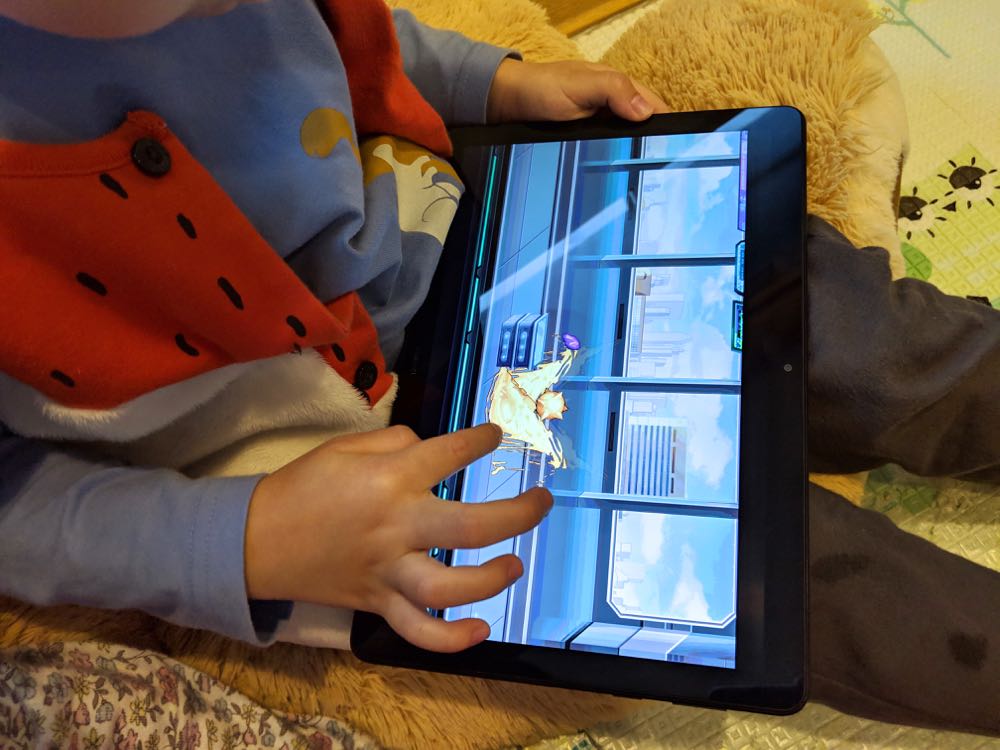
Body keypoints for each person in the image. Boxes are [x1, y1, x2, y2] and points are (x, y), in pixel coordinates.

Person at [0, 0, 997, 741]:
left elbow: (359, 37)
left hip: (477, 221)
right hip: (319, 461)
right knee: (771, 584)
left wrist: (496, 81)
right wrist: (246, 542)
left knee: (841, 320)